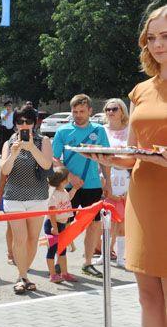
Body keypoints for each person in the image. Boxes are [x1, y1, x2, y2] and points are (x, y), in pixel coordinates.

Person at [83, 4, 167, 327]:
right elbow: (133, 155)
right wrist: (107, 156)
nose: (158, 45)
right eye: (152, 38)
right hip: (143, 200)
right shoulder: (141, 90)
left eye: (166, 37)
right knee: (148, 299)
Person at [52, 94, 111, 278]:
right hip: (67, 187)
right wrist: (70, 176)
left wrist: (107, 182)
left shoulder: (99, 131)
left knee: (93, 225)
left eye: (82, 111)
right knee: (63, 224)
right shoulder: (62, 131)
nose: (78, 115)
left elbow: (105, 157)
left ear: (90, 111)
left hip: (92, 185)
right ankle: (59, 264)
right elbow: (54, 159)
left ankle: (87, 263)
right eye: (75, 111)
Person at [1, 104, 54, 294]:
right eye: (20, 121)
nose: (24, 125)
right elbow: (5, 170)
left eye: (28, 121)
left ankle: (23, 275)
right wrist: (14, 153)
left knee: (32, 239)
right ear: (15, 124)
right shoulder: (9, 143)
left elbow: (47, 164)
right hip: (14, 197)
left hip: (37, 197)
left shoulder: (44, 141)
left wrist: (31, 147)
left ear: (35, 123)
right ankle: (22, 277)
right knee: (20, 238)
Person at [102, 97, 130, 266]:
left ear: (122, 111)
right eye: (108, 109)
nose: (111, 112)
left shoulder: (130, 131)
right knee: (107, 220)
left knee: (123, 221)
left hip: (127, 178)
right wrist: (105, 184)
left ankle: (120, 257)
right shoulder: (101, 130)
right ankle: (104, 254)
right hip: (107, 178)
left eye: (114, 109)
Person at [44, 167, 79, 283]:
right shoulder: (54, 195)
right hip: (53, 224)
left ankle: (64, 273)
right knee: (52, 250)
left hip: (62, 224)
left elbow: (68, 198)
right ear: (63, 180)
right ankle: (53, 275)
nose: (69, 179)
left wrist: (75, 189)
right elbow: (51, 213)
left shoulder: (63, 192)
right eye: (68, 178)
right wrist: (54, 227)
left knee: (62, 250)